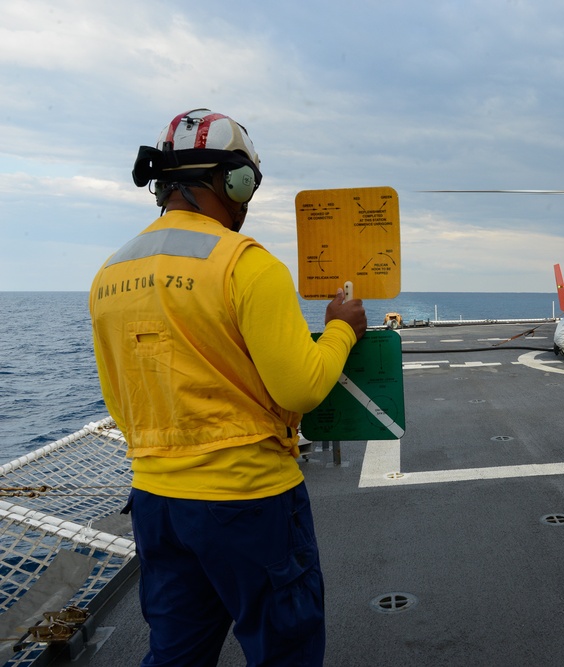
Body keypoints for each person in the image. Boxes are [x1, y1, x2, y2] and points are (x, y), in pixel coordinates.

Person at [89, 108, 367, 666]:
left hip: (158, 505)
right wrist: (341, 328)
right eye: (248, 185)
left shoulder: (109, 276)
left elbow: (122, 404)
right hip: (248, 502)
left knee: (176, 651)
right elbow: (301, 389)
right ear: (233, 179)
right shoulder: (246, 265)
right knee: (283, 646)